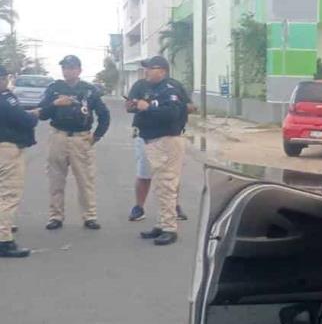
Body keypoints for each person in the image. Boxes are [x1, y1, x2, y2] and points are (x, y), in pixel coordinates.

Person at [38, 55, 110, 231]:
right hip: (58, 137)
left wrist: (96, 136)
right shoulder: (54, 89)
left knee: (85, 179)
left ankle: (89, 216)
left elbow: (104, 115)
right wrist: (55, 103)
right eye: (64, 68)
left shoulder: (89, 90)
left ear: (79, 70)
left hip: (81, 138)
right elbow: (42, 114)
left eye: (71, 68)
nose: (67, 71)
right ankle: (56, 216)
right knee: (56, 179)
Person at [126, 56, 187, 246]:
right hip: (152, 140)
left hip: (166, 140)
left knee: (167, 184)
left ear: (162, 71)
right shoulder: (153, 88)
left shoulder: (170, 89)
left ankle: (170, 228)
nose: (146, 72)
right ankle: (161, 224)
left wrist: (149, 106)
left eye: (150, 69)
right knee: (160, 186)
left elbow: (173, 113)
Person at [0, 65, 39, 257]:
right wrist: (34, 115)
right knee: (8, 195)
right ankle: (4, 241)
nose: (7, 81)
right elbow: (25, 120)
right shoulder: (5, 99)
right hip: (7, 149)